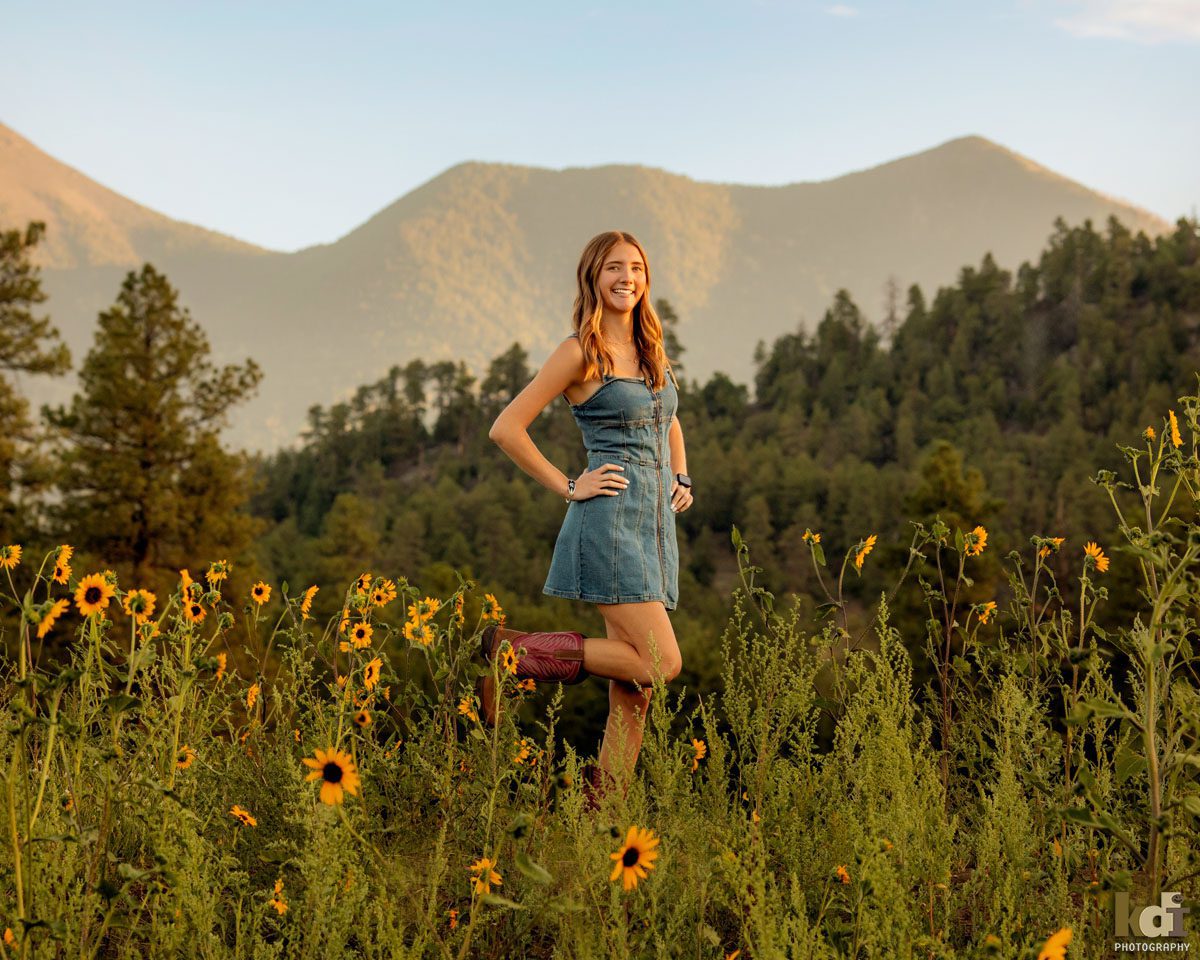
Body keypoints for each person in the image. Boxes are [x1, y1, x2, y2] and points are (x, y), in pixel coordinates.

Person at [484, 230, 693, 806]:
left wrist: (681, 473)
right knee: (660, 664)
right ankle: (517, 653)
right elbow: (507, 427)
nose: (627, 277)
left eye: (636, 267)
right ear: (593, 279)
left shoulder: (650, 348)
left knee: (634, 694)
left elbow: (667, 416)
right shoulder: (579, 350)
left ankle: (603, 819)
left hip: (654, 532)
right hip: (610, 527)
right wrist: (570, 485)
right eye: (613, 268)